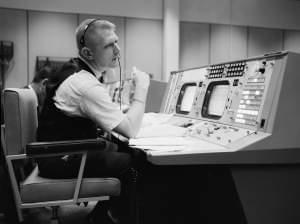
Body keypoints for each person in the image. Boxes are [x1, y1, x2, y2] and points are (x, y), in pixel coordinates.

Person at [36, 19, 150, 224]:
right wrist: (141, 91)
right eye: (109, 45)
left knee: (121, 149)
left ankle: (105, 214)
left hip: (55, 152)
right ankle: (117, 216)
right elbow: (131, 130)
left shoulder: (77, 72)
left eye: (116, 42)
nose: (117, 50)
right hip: (58, 160)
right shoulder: (85, 84)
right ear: (88, 54)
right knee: (135, 161)